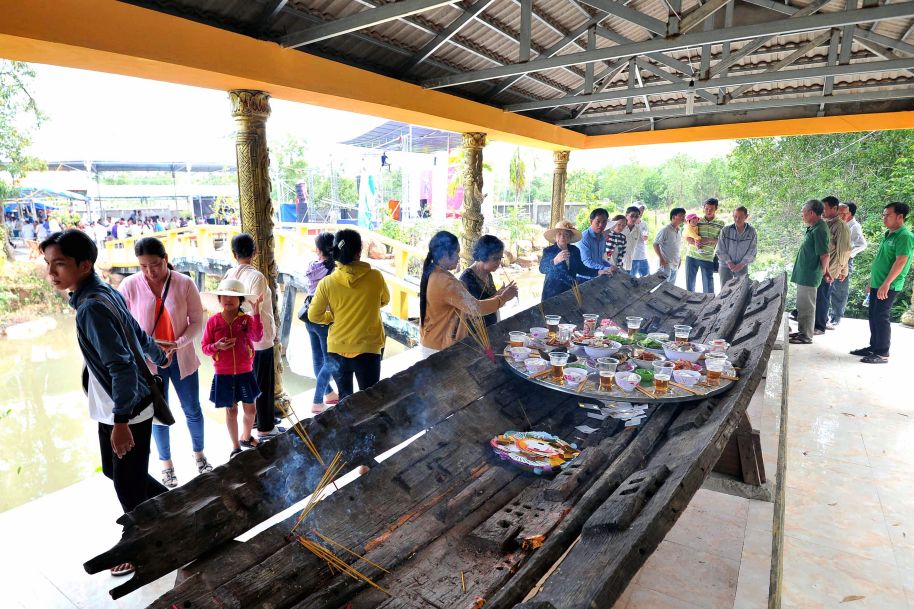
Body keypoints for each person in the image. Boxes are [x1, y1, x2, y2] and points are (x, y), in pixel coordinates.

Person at [40, 230, 169, 577]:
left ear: (84, 266)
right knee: (118, 471)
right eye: (49, 264)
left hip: (126, 408)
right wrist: (158, 353)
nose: (52, 273)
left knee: (126, 484)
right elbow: (137, 332)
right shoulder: (102, 292)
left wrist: (122, 422)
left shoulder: (91, 308)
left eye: (60, 264)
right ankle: (170, 508)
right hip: (115, 406)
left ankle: (141, 545)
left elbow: (122, 365)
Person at [119, 237, 211, 489]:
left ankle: (199, 455)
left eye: (155, 265)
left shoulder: (184, 283)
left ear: (165, 259)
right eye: (143, 266)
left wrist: (178, 343)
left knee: (192, 408)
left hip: (181, 358)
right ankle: (166, 465)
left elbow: (196, 321)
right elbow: (123, 325)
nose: (150, 271)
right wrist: (146, 350)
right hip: (149, 364)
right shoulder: (129, 285)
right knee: (158, 414)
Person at [308, 229, 390, 398]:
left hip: (338, 349)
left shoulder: (327, 283)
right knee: (370, 400)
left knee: (345, 402)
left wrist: (332, 316)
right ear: (359, 252)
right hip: (368, 348)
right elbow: (384, 300)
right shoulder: (375, 277)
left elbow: (313, 315)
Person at [418, 231, 516, 356]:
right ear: (444, 255)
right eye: (456, 253)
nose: (459, 257)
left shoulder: (434, 273)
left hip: (432, 341)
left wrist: (499, 296)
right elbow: (476, 308)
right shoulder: (445, 281)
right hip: (438, 348)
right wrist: (503, 298)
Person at [224, 234, 280, 441]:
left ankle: (255, 421)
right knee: (263, 383)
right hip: (259, 339)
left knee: (250, 382)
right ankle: (265, 427)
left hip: (239, 340)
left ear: (234, 253)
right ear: (254, 252)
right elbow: (250, 306)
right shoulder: (257, 277)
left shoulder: (229, 275)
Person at [201, 278, 265, 458]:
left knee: (251, 410)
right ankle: (236, 447)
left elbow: (258, 337)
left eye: (233, 296)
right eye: (224, 296)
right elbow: (205, 348)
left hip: (245, 372)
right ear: (219, 299)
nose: (228, 299)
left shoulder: (246, 320)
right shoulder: (213, 322)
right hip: (224, 374)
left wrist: (257, 311)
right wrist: (217, 347)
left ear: (240, 300)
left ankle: (246, 437)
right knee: (231, 411)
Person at [850, 202, 913, 364]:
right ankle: (874, 347)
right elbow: (882, 260)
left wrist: (886, 284)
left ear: (900, 217)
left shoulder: (905, 236)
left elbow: (901, 262)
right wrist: (872, 281)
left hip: (889, 285)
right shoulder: (889, 233)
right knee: (873, 315)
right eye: (883, 215)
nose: (884, 218)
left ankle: (882, 352)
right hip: (878, 283)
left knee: (881, 316)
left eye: (888, 215)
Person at [304, 232, 339, 415]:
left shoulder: (312, 266)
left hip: (308, 317)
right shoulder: (334, 270)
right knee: (332, 361)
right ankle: (317, 401)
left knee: (318, 359)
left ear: (318, 250)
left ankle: (329, 394)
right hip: (324, 317)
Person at [789, 200, 830, 345]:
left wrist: (824, 272)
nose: (802, 215)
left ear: (811, 213)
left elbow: (824, 254)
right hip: (804, 273)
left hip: (810, 274)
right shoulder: (814, 228)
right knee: (802, 305)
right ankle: (802, 331)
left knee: (807, 306)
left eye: (803, 212)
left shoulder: (820, 229)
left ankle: (806, 335)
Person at [540, 220, 610, 300]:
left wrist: (598, 271)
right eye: (559, 234)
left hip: (570, 291)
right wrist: (555, 261)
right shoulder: (549, 251)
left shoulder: (574, 250)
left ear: (569, 237)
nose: (562, 236)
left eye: (566, 234)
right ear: (555, 237)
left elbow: (581, 269)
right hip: (552, 292)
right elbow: (542, 269)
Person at [813, 197, 851, 335]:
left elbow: (845, 250)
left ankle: (819, 326)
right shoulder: (825, 223)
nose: (822, 211)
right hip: (820, 267)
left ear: (834, 209)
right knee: (817, 295)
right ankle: (814, 322)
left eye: (825, 208)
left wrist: (841, 270)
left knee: (822, 296)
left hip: (831, 268)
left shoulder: (841, 226)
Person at [460, 235, 515, 327]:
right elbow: (472, 311)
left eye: (500, 258)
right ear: (483, 256)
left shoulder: (487, 273)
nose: (498, 262)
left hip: (490, 327)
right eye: (495, 258)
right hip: (476, 334)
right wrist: (502, 296)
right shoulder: (466, 278)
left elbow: (489, 299)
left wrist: (501, 293)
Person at [828, 202, 868, 329]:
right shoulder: (839, 224)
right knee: (829, 287)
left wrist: (848, 255)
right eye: (839, 211)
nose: (840, 214)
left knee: (839, 290)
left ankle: (836, 317)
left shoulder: (854, 226)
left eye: (843, 212)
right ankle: (827, 316)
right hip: (835, 259)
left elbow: (862, 244)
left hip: (845, 261)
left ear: (850, 213)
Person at [684, 198, 724, 293]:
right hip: (691, 256)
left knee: (708, 288)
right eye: (706, 209)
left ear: (716, 209)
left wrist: (708, 240)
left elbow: (722, 241)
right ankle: (689, 306)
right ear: (703, 208)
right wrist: (694, 242)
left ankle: (709, 306)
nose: (708, 211)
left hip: (707, 258)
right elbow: (686, 236)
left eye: (711, 209)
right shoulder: (696, 220)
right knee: (689, 286)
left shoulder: (721, 223)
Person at [716, 206, 758, 286]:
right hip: (725, 265)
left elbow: (752, 250)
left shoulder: (751, 231)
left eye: (740, 217)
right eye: (735, 216)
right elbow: (720, 249)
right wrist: (729, 262)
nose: (737, 219)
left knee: (741, 289)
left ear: (746, 216)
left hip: (742, 265)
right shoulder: (725, 230)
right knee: (724, 289)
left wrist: (742, 264)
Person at [654, 208, 686, 284]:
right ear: (674, 217)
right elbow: (655, 244)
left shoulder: (679, 230)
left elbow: (676, 246)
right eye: (681, 216)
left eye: (684, 216)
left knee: (671, 287)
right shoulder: (665, 230)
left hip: (675, 263)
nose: (683, 218)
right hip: (666, 264)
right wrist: (661, 258)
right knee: (661, 286)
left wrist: (679, 258)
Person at [578, 208, 614, 272]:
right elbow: (586, 262)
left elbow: (599, 260)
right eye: (598, 221)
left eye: (604, 222)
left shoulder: (602, 237)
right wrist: (605, 268)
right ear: (591, 221)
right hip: (586, 276)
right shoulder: (584, 238)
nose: (601, 225)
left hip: (599, 274)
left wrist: (610, 266)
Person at [621, 206, 650, 277]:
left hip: (630, 263)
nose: (634, 218)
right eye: (632, 216)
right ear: (626, 215)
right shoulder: (619, 227)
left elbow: (644, 239)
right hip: (618, 263)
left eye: (636, 216)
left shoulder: (638, 229)